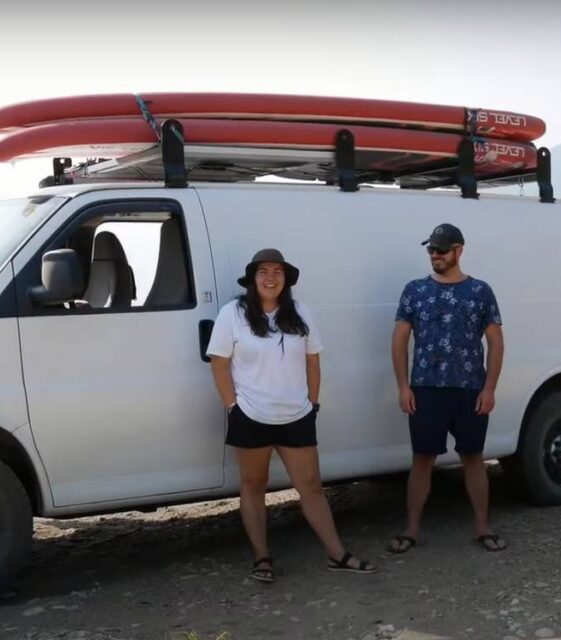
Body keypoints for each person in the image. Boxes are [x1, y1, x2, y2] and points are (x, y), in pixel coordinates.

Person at [207, 248, 376, 583]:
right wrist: (232, 407)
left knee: (311, 487)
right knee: (254, 486)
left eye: (277, 272)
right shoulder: (233, 314)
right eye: (264, 272)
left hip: (296, 415)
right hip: (251, 415)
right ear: (253, 279)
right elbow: (219, 362)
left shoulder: (300, 313)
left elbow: (313, 362)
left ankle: (336, 553)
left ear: (286, 280)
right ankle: (262, 558)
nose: (271, 278)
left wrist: (312, 404)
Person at [389, 224, 507, 554]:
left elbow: (496, 342)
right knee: (422, 459)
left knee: (473, 457)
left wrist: (490, 388)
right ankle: (411, 530)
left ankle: (482, 527)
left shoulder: (480, 291)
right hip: (425, 388)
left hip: (470, 388)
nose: (435, 255)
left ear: (459, 250)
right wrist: (402, 386)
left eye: (442, 249)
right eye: (431, 250)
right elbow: (399, 340)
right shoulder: (414, 290)